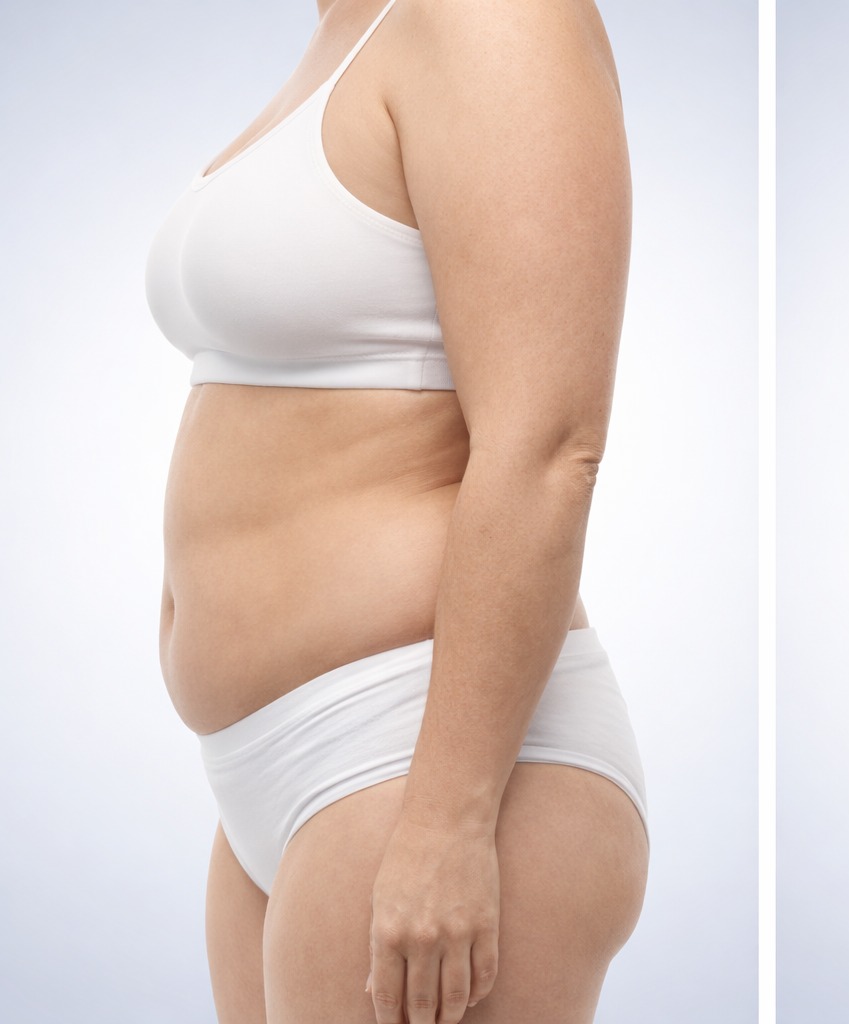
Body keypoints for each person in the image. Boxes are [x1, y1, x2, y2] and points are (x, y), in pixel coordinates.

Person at [144, 1, 648, 1021]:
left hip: (422, 751)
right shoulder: (346, 32)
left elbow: (549, 447)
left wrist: (448, 817)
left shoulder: (492, 17)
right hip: (282, 772)